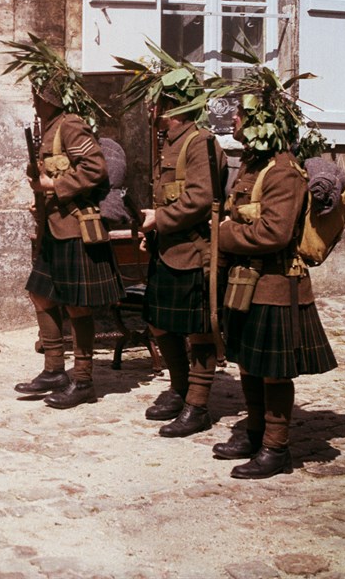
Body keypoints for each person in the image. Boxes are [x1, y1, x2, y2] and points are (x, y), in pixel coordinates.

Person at [213, 69, 337, 479]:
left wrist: (222, 236)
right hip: (247, 282)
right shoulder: (252, 165)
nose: (233, 120)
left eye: (241, 115)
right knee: (249, 362)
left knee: (273, 369)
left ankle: (276, 448)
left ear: (263, 122)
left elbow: (274, 232)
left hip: (276, 285)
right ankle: (254, 431)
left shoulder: (282, 169)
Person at [8, 37, 124, 409]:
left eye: (37, 95)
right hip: (53, 227)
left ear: (50, 99)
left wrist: (52, 186)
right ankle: (54, 369)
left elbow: (96, 169)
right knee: (40, 292)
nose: (33, 101)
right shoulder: (50, 128)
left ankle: (84, 379)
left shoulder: (70, 125)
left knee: (77, 306)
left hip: (75, 226)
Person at [129, 65, 227, 437]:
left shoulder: (200, 142)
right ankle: (179, 386)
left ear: (171, 106)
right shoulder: (168, 143)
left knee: (199, 331)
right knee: (158, 321)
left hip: (192, 250)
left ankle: (198, 405)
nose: (151, 110)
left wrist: (161, 219)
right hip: (166, 249)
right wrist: (153, 231)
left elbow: (202, 199)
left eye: (156, 103)